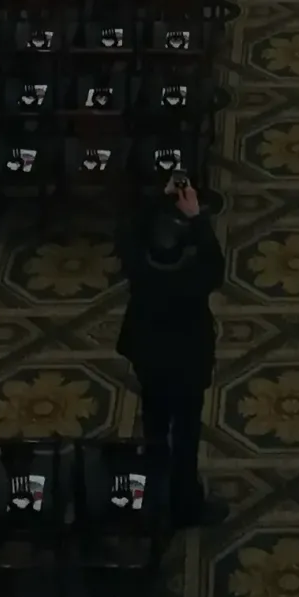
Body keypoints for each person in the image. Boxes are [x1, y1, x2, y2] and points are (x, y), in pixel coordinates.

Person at [115, 175, 228, 527]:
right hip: (188, 362)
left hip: (149, 356)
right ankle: (184, 502)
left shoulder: (140, 267)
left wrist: (154, 202)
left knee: (154, 423)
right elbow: (216, 265)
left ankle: (153, 493)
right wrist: (196, 216)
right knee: (186, 433)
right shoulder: (193, 276)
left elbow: (128, 234)